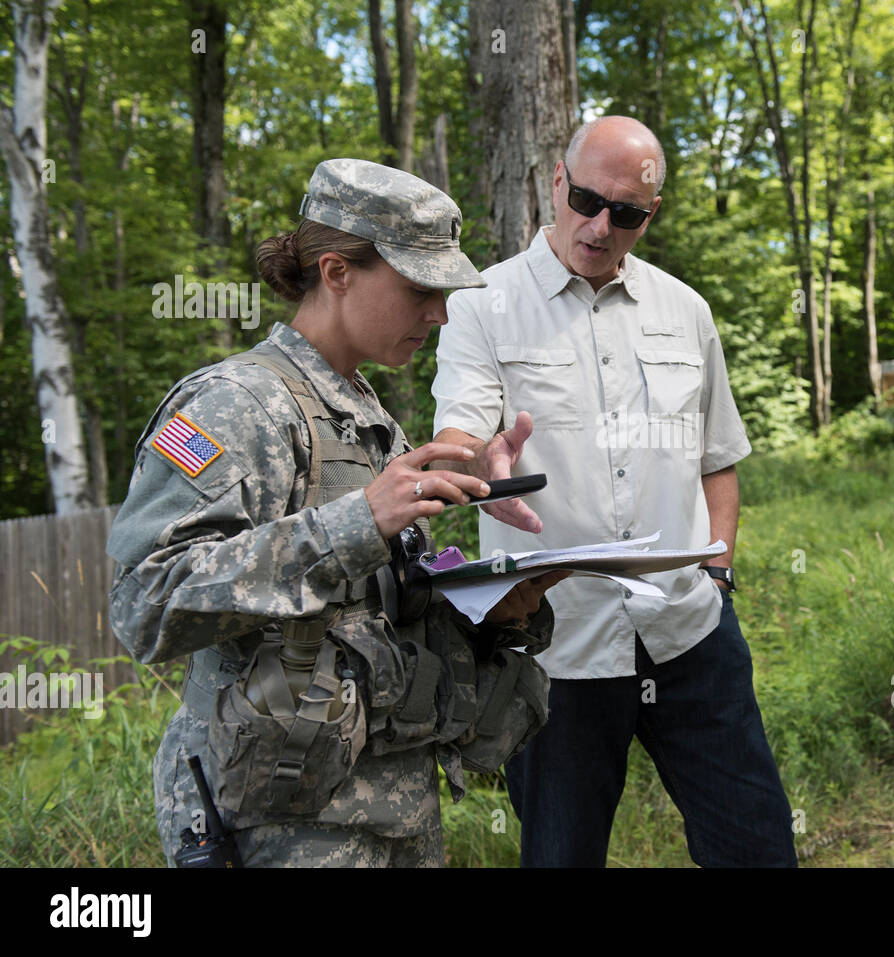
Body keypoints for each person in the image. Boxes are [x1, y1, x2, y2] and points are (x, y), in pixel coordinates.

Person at [107, 158, 565, 867]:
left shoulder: (368, 417)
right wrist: (358, 524)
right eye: (420, 289)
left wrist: (497, 606)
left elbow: (365, 616)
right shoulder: (237, 405)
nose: (439, 314)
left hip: (390, 814)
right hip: (280, 833)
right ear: (336, 270)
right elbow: (145, 600)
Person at [431, 116, 798, 867]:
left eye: (625, 213)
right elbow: (459, 437)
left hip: (690, 632)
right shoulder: (480, 302)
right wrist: (479, 463)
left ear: (649, 215)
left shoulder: (685, 311)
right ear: (556, 182)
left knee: (757, 846)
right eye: (587, 200)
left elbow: (717, 457)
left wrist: (718, 574)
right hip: (557, 647)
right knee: (561, 855)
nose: (599, 227)